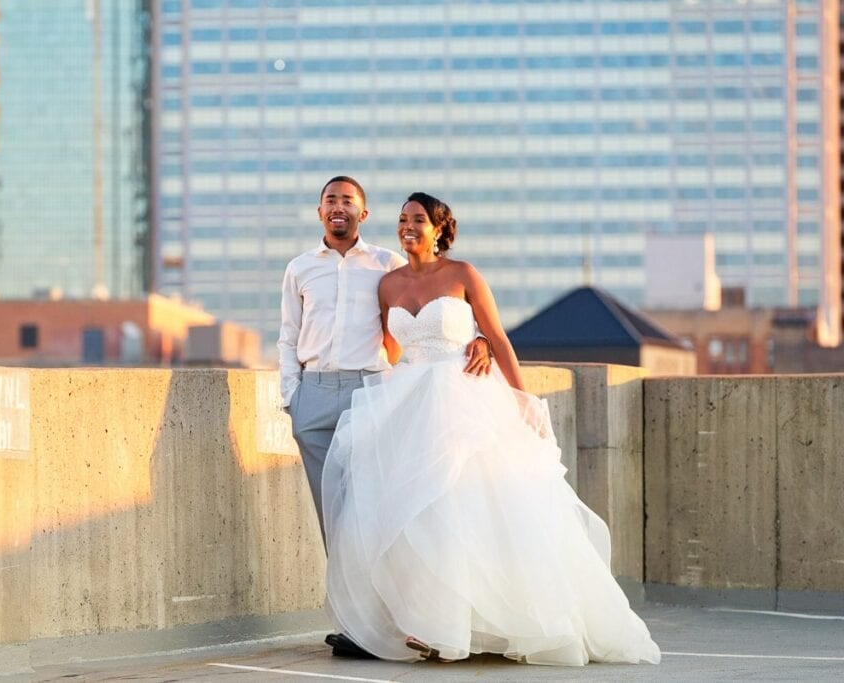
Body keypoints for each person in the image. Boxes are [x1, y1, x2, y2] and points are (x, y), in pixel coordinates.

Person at [320, 192, 662, 666]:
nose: (408, 227)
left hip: (464, 398)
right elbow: (391, 350)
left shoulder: (463, 275)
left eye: (418, 219)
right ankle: (425, 622)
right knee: (418, 515)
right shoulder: (388, 284)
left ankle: (486, 624)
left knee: (471, 507)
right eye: (402, 220)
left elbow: (498, 336)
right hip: (410, 403)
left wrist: (516, 391)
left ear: (439, 228)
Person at [278, 178, 491, 659]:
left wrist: (482, 339)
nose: (338, 208)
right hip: (312, 396)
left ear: (363, 214)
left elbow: (435, 303)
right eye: (331, 201)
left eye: (348, 202)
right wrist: (292, 398)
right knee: (332, 516)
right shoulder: (299, 269)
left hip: (370, 391)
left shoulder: (386, 264)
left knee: (375, 512)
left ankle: (385, 622)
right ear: (319, 212)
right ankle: (356, 623)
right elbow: (287, 337)